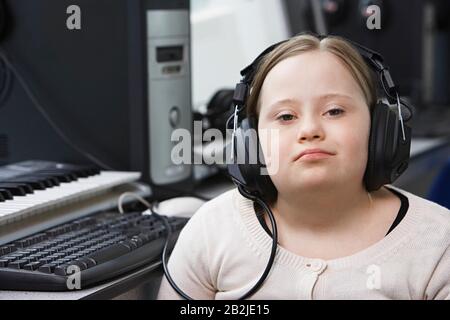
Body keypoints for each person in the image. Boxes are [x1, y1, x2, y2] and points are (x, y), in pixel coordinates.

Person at [157, 33, 450, 300]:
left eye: (335, 111)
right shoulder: (212, 232)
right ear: (251, 139)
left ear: (379, 130)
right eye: (285, 116)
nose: (310, 130)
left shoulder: (438, 245)